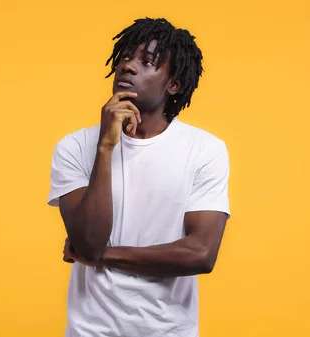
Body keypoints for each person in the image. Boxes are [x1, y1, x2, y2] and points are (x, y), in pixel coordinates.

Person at [47, 17, 231, 337]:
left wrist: (104, 255)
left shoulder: (204, 150)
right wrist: (105, 146)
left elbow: (200, 254)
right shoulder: (76, 147)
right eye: (126, 57)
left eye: (147, 62)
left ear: (172, 83)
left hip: (170, 331)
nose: (128, 67)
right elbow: (88, 243)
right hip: (91, 331)